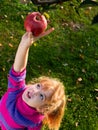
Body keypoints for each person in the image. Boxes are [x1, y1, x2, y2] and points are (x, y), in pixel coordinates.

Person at [0, 28, 66, 130]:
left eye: (41, 96)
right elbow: (19, 70)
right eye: (38, 86)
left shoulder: (35, 122)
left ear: (42, 109)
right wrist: (24, 45)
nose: (34, 91)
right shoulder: (17, 91)